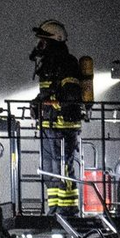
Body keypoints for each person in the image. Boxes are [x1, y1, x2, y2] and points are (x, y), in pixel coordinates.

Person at [30, 19, 83, 217]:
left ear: (54, 41)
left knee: (63, 169)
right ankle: (54, 209)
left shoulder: (67, 63)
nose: (39, 46)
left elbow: (71, 93)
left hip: (63, 126)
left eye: (43, 41)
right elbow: (46, 92)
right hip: (48, 125)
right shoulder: (48, 65)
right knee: (49, 170)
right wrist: (36, 103)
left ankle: (68, 209)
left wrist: (53, 102)